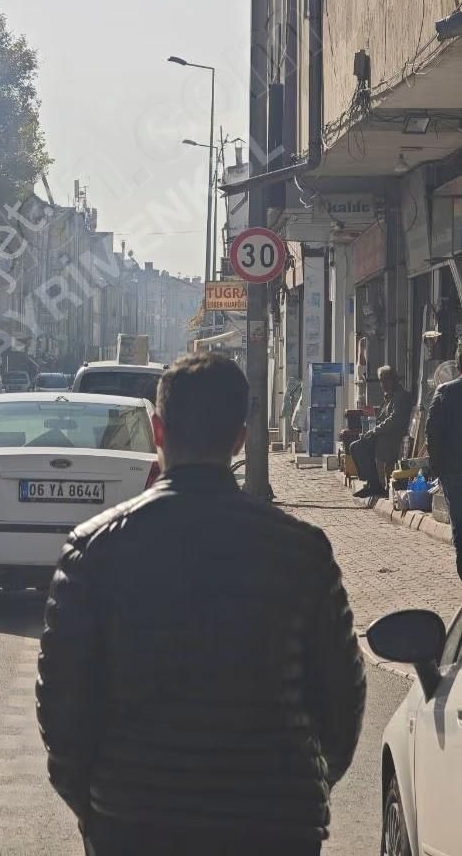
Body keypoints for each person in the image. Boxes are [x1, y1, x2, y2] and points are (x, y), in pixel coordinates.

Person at [36, 353, 365, 856]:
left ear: (159, 432)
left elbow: (63, 709)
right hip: (274, 824)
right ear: (239, 437)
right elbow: (341, 698)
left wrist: (100, 804)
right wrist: (303, 789)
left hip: (134, 821)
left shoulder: (94, 549)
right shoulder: (302, 551)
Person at [426, 341, 462, 581]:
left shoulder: (444, 392)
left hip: (453, 471)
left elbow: (431, 433)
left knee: (460, 524)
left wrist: (436, 468)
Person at [350, 365, 413, 498]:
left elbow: (394, 420)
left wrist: (374, 431)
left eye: (386, 380)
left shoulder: (401, 396)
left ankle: (374, 485)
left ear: (394, 380)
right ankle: (371, 482)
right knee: (355, 445)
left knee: (362, 446)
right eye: (381, 380)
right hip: (383, 434)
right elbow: (382, 418)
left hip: (393, 437)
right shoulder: (388, 397)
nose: (383, 384)